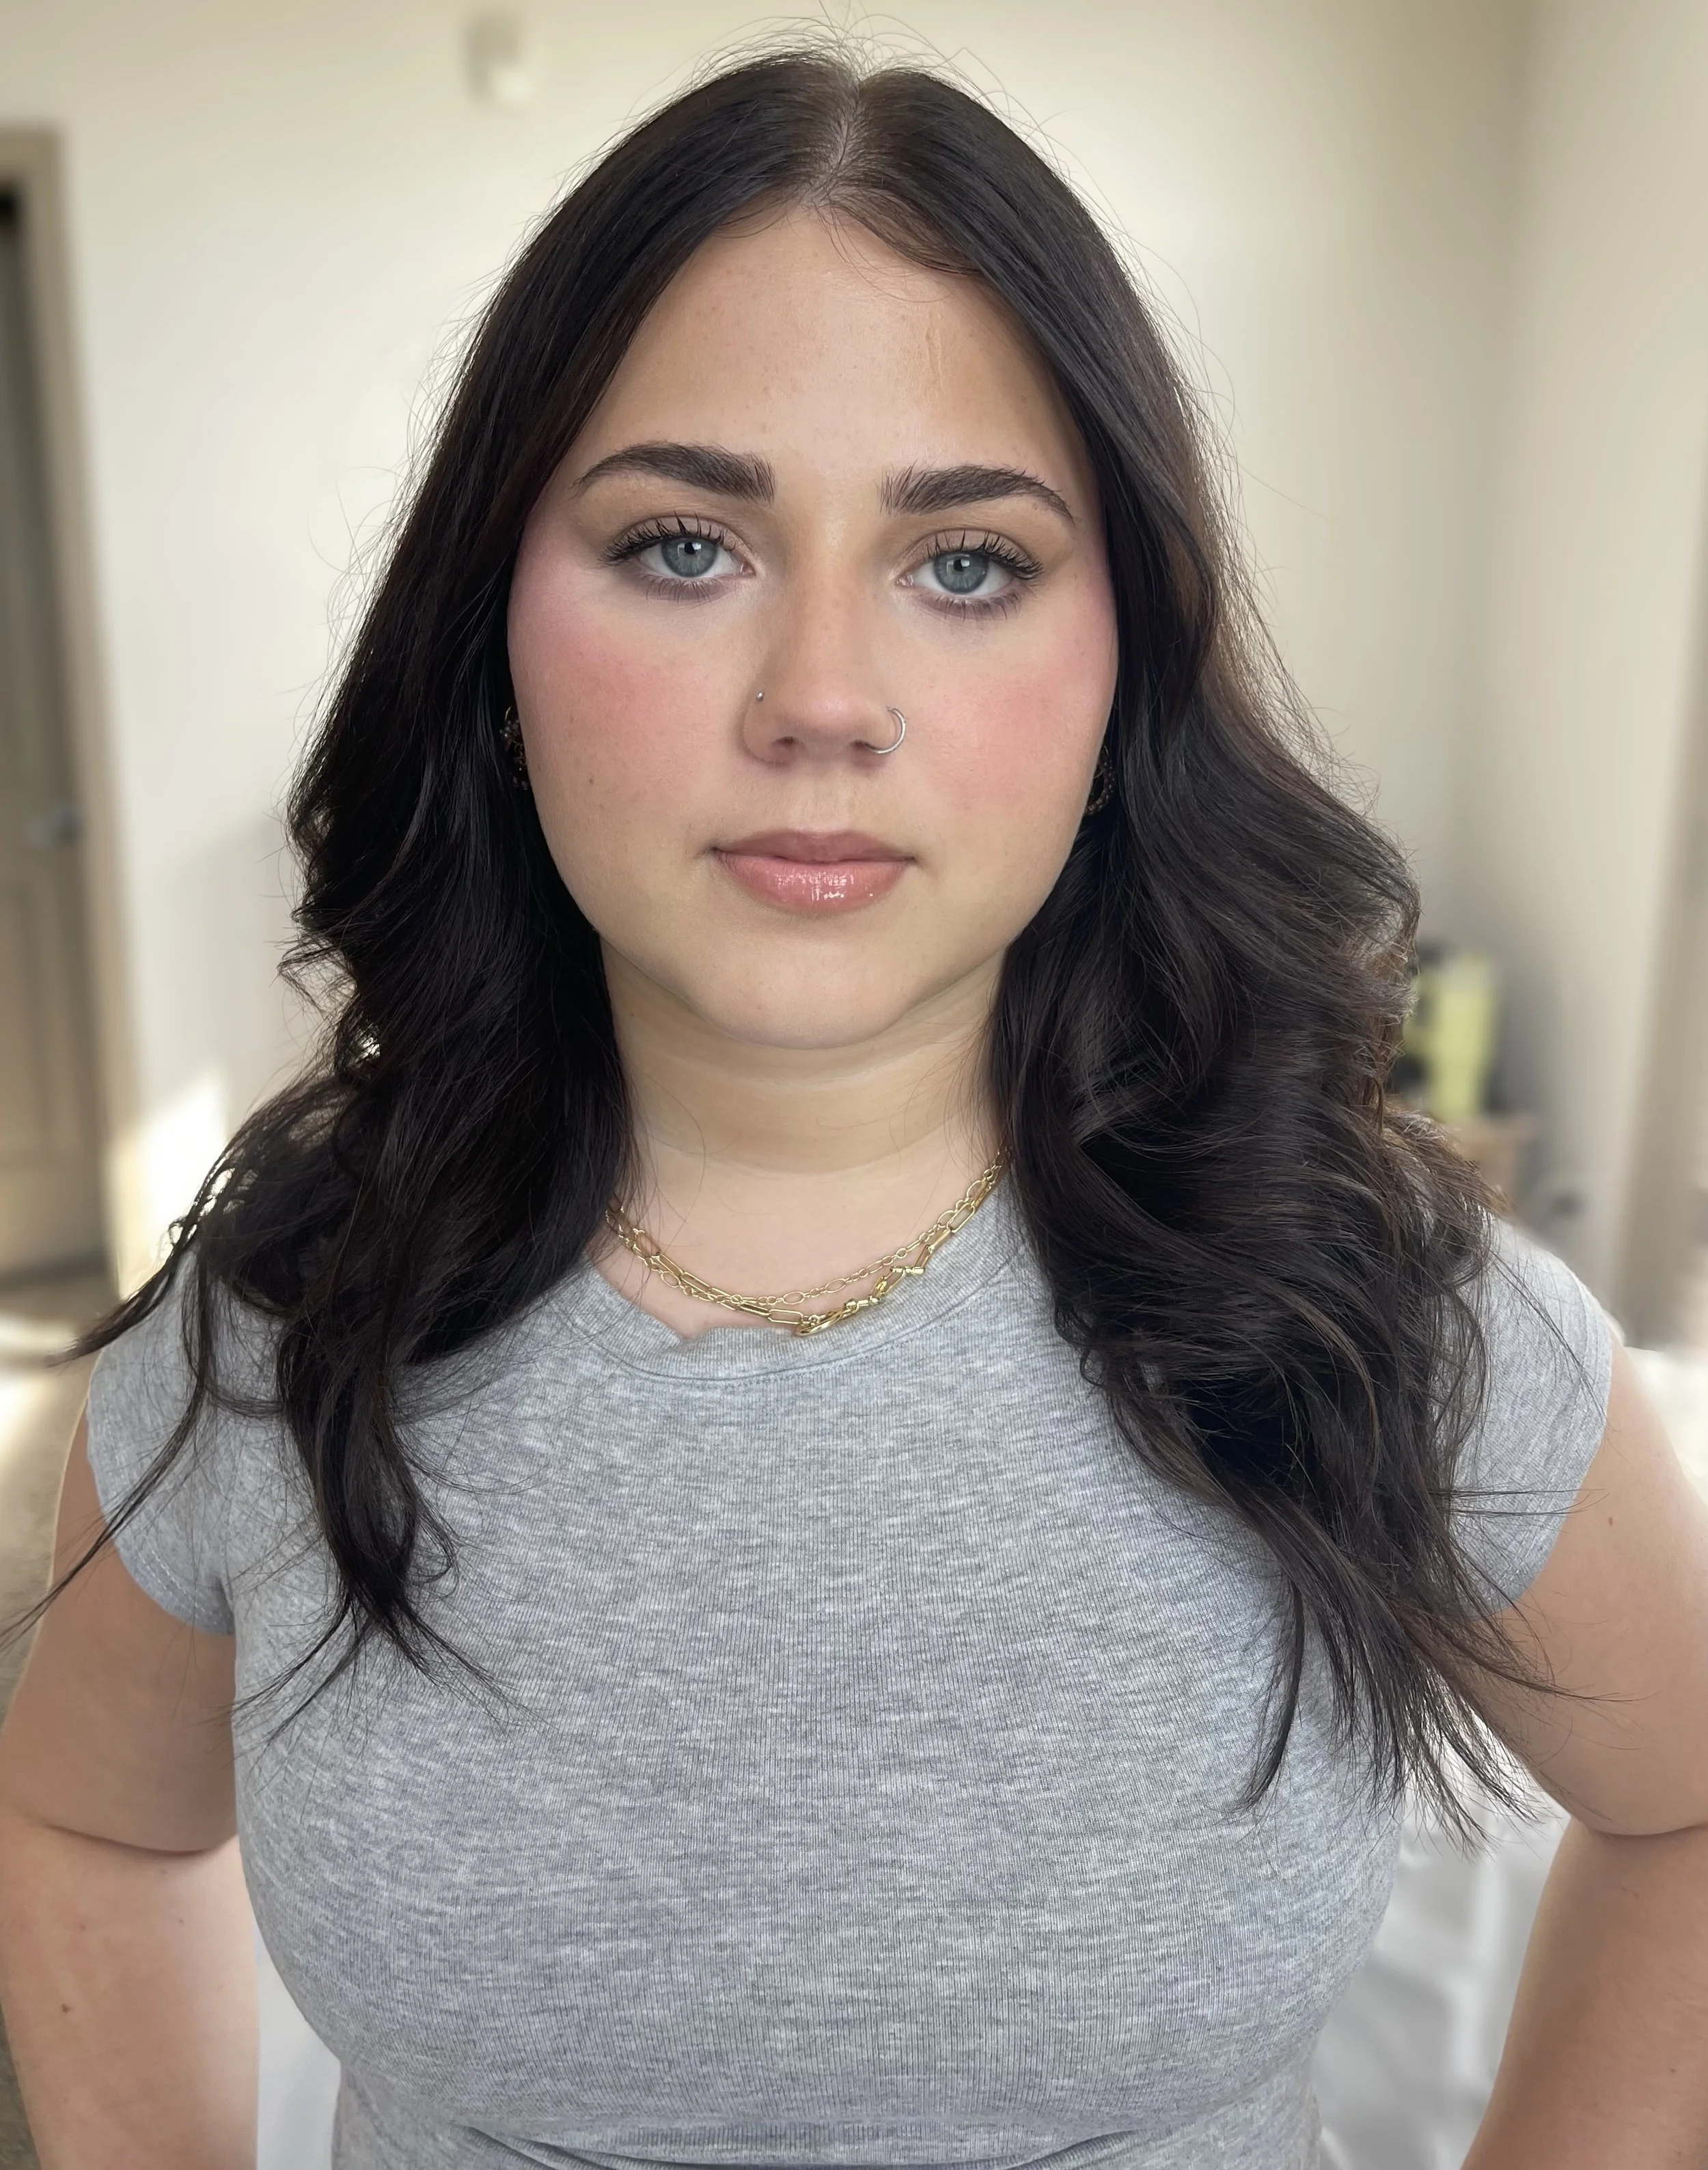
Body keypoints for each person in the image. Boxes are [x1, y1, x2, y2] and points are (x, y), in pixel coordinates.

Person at [1, 46, 1706, 2170]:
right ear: (491, 644)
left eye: (966, 563)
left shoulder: (1388, 1308)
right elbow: (81, 1815)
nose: (819, 698)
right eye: (686, 543)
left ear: (1127, 666)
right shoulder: (276, 1331)